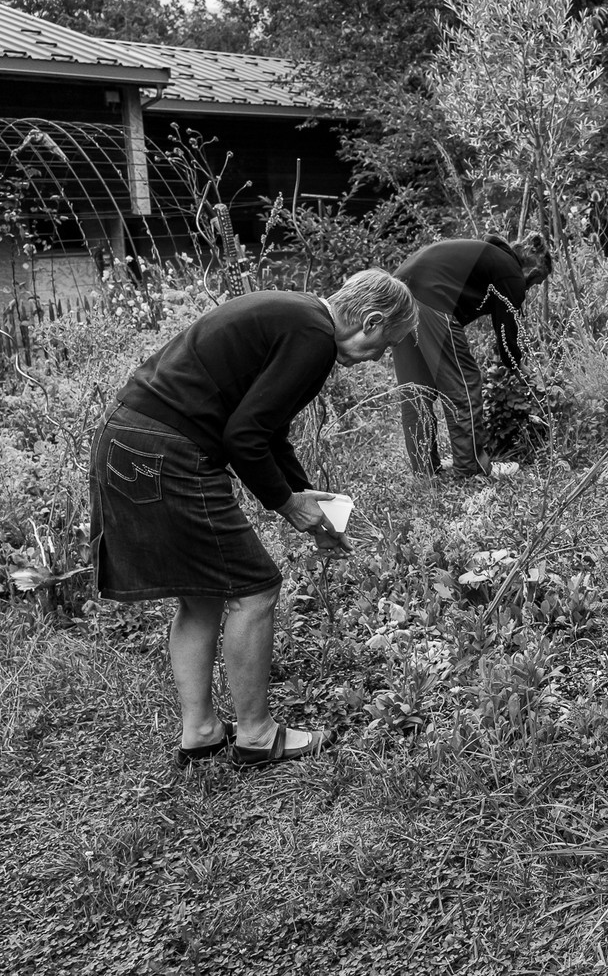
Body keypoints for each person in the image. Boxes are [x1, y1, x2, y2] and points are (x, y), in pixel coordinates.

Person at [89, 270, 418, 768]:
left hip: (126, 438)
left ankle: (200, 731)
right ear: (371, 321)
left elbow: (268, 431)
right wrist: (287, 505)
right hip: (168, 451)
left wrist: (302, 497)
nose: (377, 358)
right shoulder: (314, 339)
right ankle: (257, 735)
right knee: (256, 587)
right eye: (383, 346)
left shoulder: (298, 314)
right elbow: (243, 437)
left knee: (201, 592)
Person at [392, 235, 551, 478]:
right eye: (538, 280)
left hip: (397, 295)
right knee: (463, 385)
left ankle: (425, 469)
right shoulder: (510, 271)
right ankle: (471, 468)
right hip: (431, 299)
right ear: (532, 268)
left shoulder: (490, 256)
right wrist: (518, 366)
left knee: (417, 391)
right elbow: (508, 332)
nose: (534, 286)